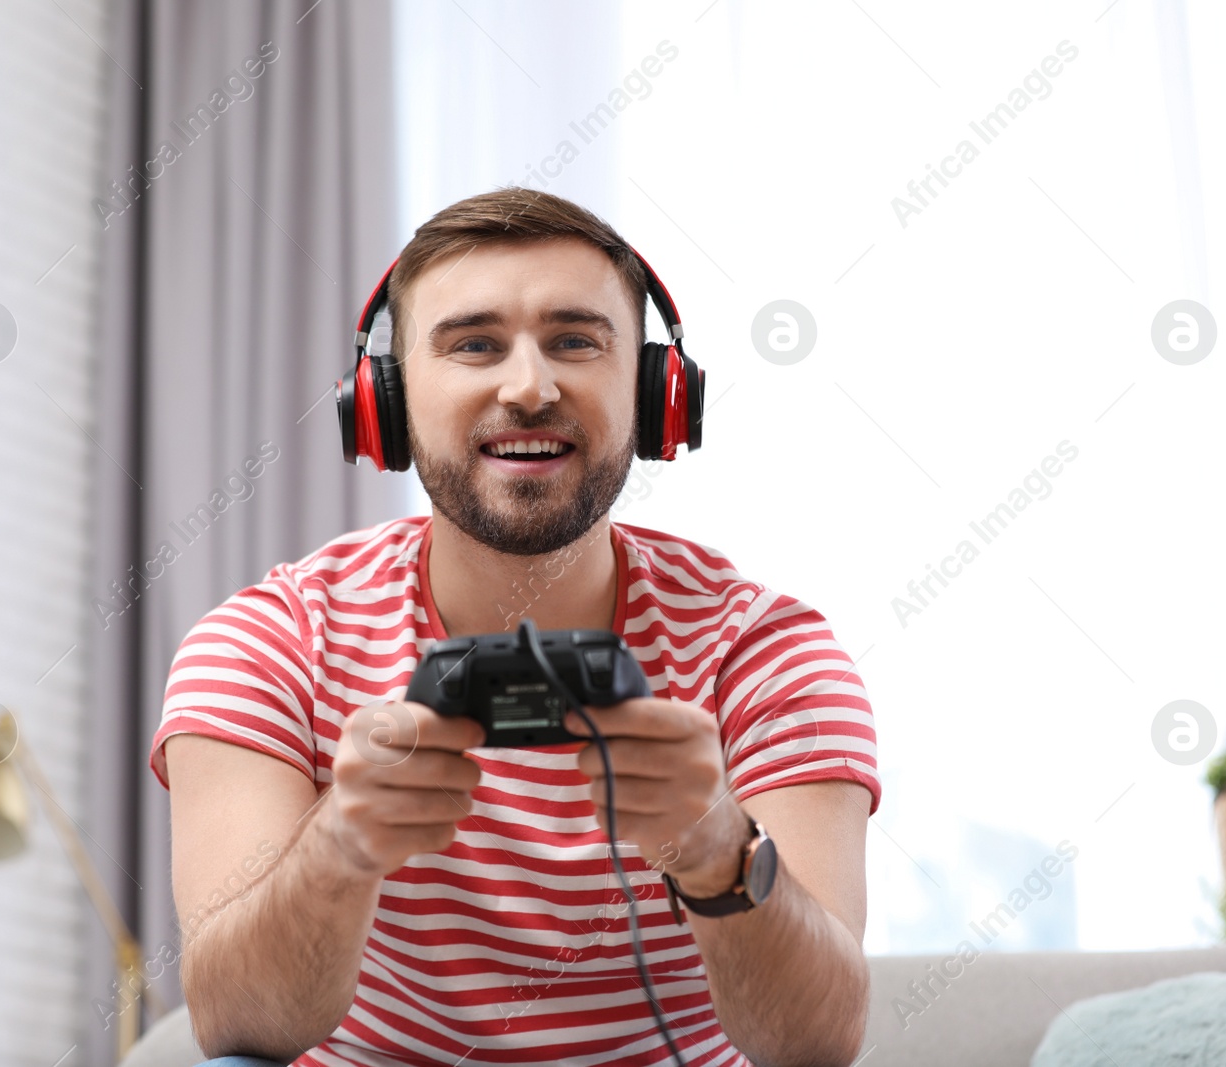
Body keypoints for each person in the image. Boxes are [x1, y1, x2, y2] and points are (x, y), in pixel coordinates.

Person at [152, 187, 881, 1066]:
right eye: (474, 345)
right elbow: (234, 1021)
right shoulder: (270, 644)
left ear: (656, 392)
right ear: (387, 399)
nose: (529, 386)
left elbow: (820, 1043)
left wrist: (719, 845)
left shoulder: (767, 653)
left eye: (576, 340)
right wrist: (340, 845)